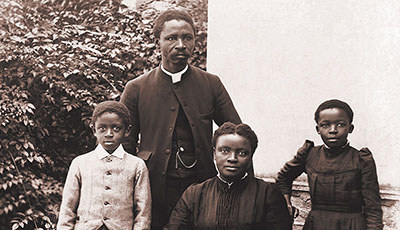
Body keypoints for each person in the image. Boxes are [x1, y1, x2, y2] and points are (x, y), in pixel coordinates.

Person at [120, 9, 241, 229]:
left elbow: (237, 134)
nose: (181, 45)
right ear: (158, 41)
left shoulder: (210, 83)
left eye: (187, 37)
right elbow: (124, 145)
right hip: (153, 185)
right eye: (171, 38)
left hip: (201, 182)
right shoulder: (136, 88)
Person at [276, 99, 383, 230]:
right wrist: (286, 203)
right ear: (318, 129)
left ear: (350, 128)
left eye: (340, 124)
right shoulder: (309, 154)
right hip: (316, 224)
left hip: (352, 225)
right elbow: (283, 177)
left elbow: (373, 208)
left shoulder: (361, 159)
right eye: (325, 125)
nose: (333, 130)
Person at [167, 122, 291, 229]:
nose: (232, 158)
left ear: (251, 156)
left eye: (242, 153)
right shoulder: (194, 194)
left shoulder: (267, 195)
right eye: (225, 151)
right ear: (214, 153)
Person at [57, 101, 151, 230]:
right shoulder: (80, 163)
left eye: (116, 128)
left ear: (127, 130)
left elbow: (143, 212)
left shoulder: (137, 165)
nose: (109, 134)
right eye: (102, 128)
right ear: (93, 129)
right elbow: (68, 208)